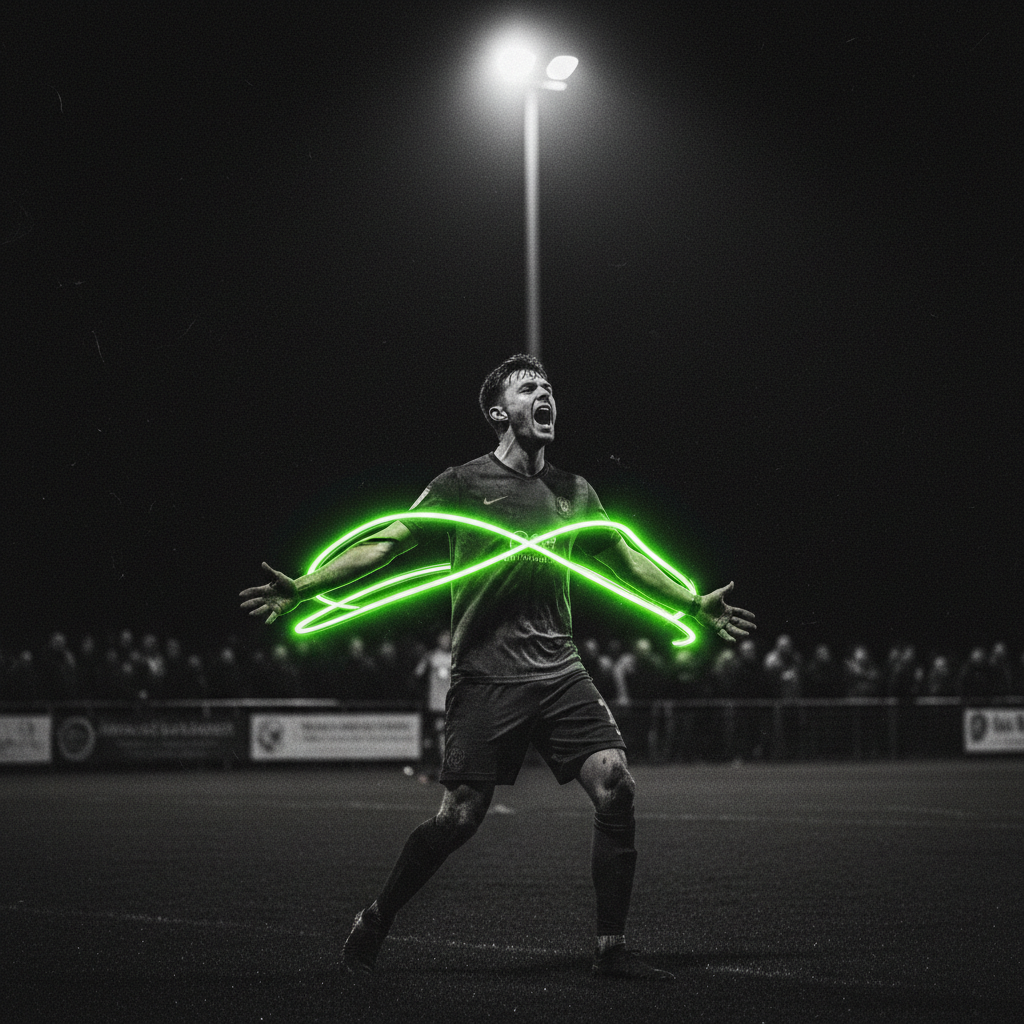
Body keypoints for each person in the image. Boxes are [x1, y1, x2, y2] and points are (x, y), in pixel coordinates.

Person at [240, 354, 755, 981]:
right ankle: (378, 915)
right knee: (460, 816)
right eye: (527, 387)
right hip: (487, 674)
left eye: (548, 387)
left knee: (617, 784)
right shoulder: (462, 484)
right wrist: (308, 586)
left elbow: (624, 556)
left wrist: (692, 603)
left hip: (560, 670)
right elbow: (389, 539)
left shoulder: (576, 491)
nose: (545, 394)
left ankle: (612, 948)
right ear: (498, 412)